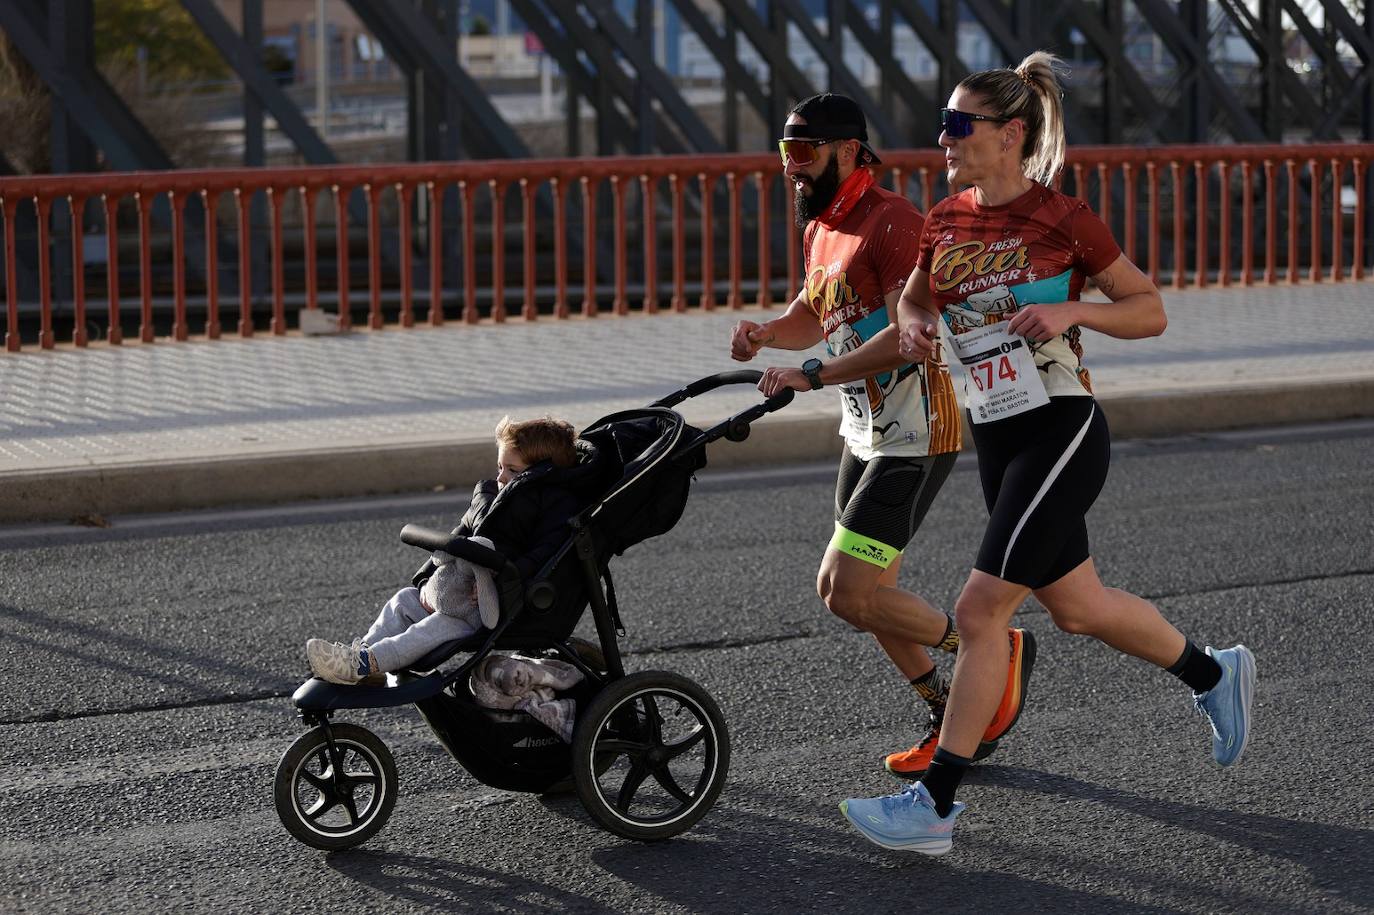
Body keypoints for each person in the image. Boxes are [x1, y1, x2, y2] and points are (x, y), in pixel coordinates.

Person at [840, 52, 1256, 856]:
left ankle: (935, 804)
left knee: (978, 612)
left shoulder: (1065, 219)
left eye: (959, 124)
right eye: (943, 124)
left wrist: (1074, 311)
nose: (944, 138)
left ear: (1010, 134)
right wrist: (917, 328)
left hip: (1060, 428)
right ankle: (1215, 673)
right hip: (997, 433)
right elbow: (915, 301)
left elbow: (1149, 309)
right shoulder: (944, 218)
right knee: (1078, 606)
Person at [732, 92, 1036, 779]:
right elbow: (816, 308)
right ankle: (950, 712)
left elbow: (907, 338)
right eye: (785, 152)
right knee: (867, 601)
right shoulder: (823, 225)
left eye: (803, 152)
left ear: (848, 151)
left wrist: (811, 373)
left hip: (917, 432)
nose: (791, 167)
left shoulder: (893, 221)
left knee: (846, 591)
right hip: (864, 431)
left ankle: (994, 647)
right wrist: (767, 333)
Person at [306, 416, 586, 684]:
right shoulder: (489, 499)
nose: (501, 477)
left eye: (512, 470)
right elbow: (457, 537)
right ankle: (362, 657)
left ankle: (366, 664)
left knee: (433, 628)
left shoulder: (555, 505)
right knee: (404, 600)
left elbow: (544, 555)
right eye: (499, 467)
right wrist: (427, 577)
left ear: (540, 473)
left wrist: (502, 582)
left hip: (488, 605)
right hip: (452, 590)